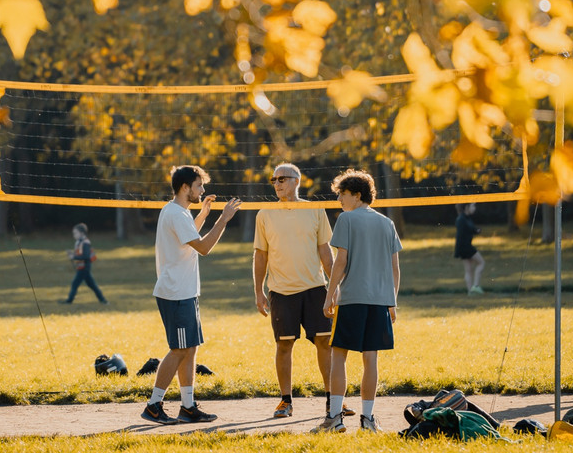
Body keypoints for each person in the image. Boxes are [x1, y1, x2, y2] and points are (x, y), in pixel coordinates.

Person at [140, 165, 242, 425]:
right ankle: (153, 405)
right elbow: (204, 247)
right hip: (176, 294)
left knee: (189, 349)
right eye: (199, 186)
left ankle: (188, 407)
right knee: (178, 350)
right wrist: (223, 219)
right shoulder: (176, 213)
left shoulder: (177, 211)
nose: (203, 190)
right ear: (185, 187)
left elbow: (188, 238)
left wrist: (204, 214)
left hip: (184, 292)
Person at [253, 162, 351, 420]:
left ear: (296, 181)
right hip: (281, 291)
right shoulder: (264, 214)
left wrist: (334, 286)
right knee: (284, 344)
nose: (277, 184)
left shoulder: (314, 210)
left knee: (324, 342)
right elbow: (260, 255)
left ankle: (333, 400)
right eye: (274, 180)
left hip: (315, 289)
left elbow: (325, 251)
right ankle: (285, 401)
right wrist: (258, 291)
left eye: (282, 179)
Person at [315, 169, 401, 434]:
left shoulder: (347, 219)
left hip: (352, 299)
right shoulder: (387, 223)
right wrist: (392, 301)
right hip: (380, 301)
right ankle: (367, 420)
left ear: (357, 195)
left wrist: (330, 295)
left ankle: (334, 418)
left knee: (339, 355)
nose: (339, 199)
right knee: (370, 358)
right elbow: (395, 268)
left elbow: (340, 261)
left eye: (342, 194)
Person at [62, 222, 107, 304]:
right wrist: (72, 254)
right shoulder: (79, 242)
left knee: (75, 283)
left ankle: (69, 301)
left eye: (75, 233)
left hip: (84, 268)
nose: (74, 235)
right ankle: (103, 300)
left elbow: (86, 256)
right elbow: (80, 254)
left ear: (82, 233)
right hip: (82, 268)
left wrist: (73, 257)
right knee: (92, 285)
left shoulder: (85, 243)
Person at [454, 203, 485, 294]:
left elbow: (470, 229)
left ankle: (470, 292)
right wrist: (475, 230)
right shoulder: (462, 219)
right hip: (466, 247)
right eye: (473, 206)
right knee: (481, 263)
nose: (474, 208)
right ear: (467, 207)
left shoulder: (465, 218)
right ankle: (476, 286)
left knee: (469, 270)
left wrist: (476, 230)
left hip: (463, 247)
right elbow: (467, 230)